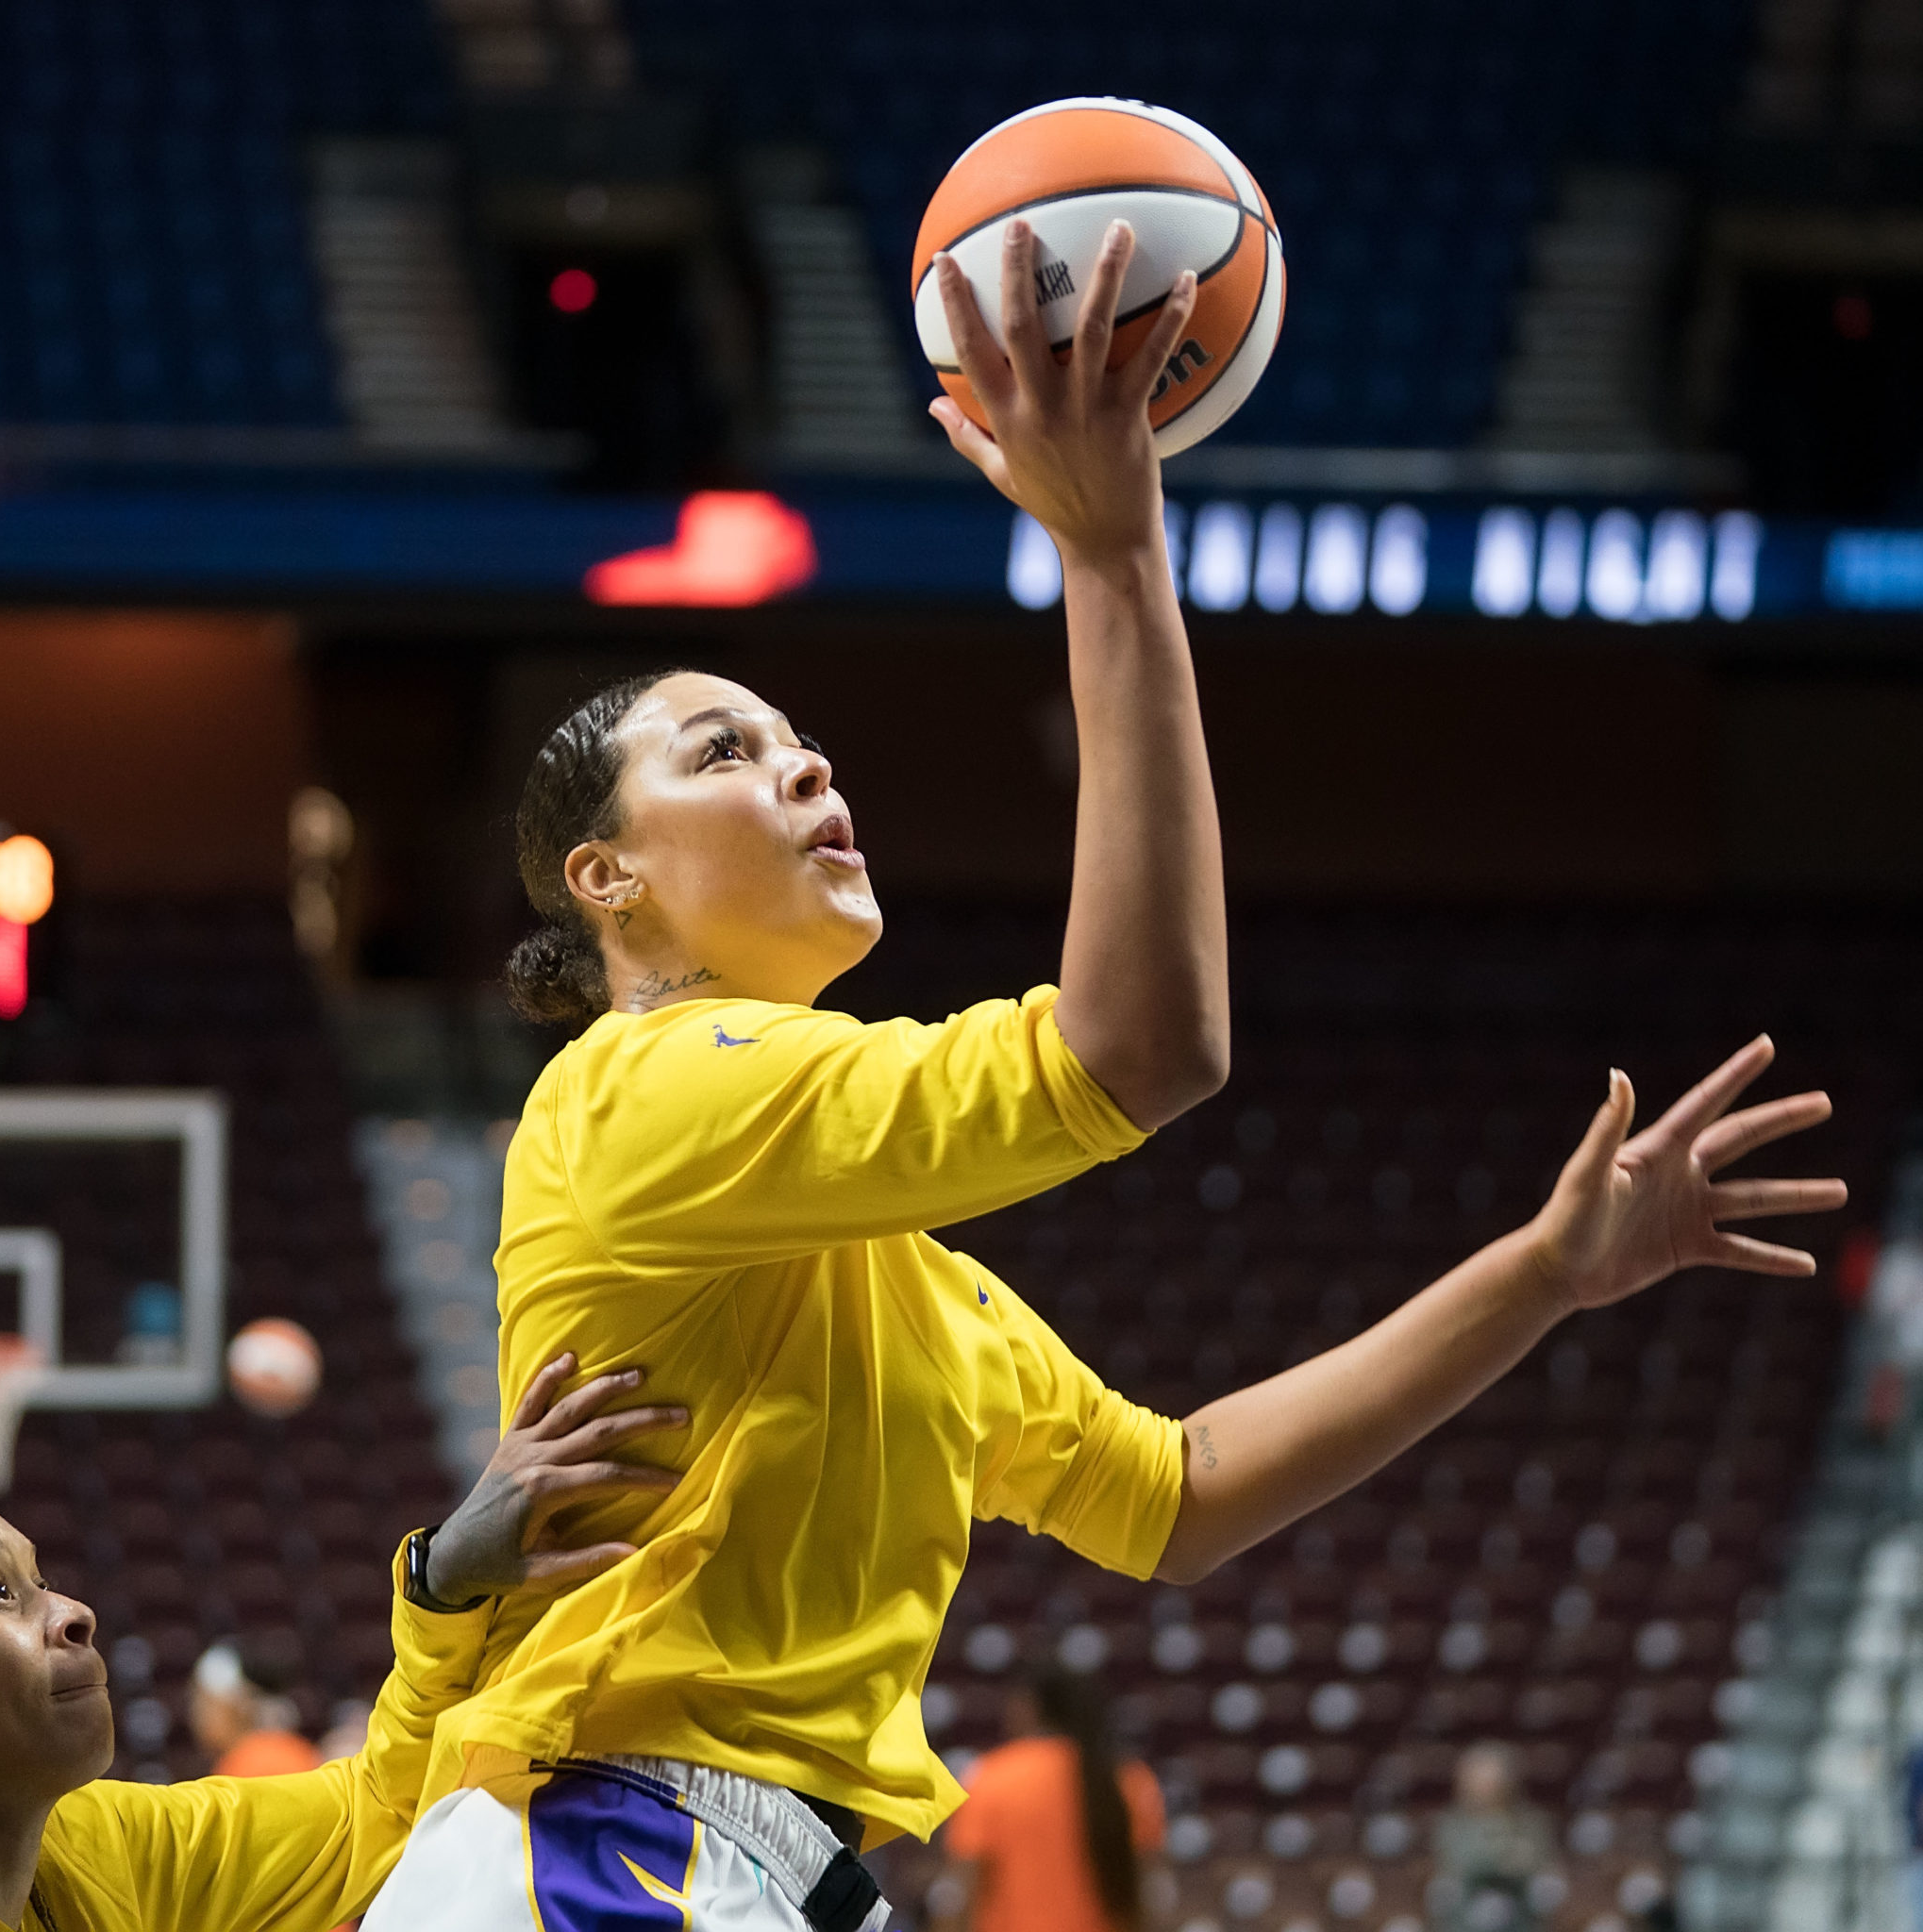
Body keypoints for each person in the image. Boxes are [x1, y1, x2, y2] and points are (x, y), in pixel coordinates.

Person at [359, 214, 1847, 1932]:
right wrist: (1115, 556)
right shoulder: (638, 1091)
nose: (805, 756)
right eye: (723, 747)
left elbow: (1186, 1497)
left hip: (722, 1869)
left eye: (799, 735)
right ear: (605, 881)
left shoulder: (905, 1282)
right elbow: (1140, 1047)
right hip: (600, 1852)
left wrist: (1548, 1273)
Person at [0, 1354, 684, 1932]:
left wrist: (441, 1579)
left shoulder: (95, 1847)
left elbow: (376, 1809)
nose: (68, 1611)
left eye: (42, 1577)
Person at [936, 1664, 1163, 1932]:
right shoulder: (1131, 1780)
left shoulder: (992, 1777)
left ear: (1029, 1708)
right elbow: (1150, 1895)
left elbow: (960, 1893)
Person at [1429, 1743, 1557, 1932]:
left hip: (1518, 1917)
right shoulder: (1452, 1825)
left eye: (1492, 1782)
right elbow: (1456, 1863)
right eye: (1478, 1781)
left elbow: (1533, 1863)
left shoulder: (1529, 1823)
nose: (1485, 1789)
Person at [187, 1639, 321, 1779]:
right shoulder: (289, 1750)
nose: (197, 1715)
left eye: (206, 1703)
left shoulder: (256, 1761)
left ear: (236, 1706)